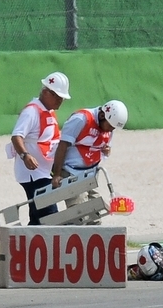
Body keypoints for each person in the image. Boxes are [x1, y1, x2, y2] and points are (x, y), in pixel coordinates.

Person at [51, 100, 128, 224]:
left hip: (89, 175)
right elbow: (62, 145)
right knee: (80, 213)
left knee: (95, 215)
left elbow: (106, 148)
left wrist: (107, 150)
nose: (110, 131)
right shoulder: (81, 119)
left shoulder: (109, 127)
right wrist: (56, 174)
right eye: (110, 127)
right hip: (71, 172)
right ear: (103, 116)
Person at [8, 72, 71, 225]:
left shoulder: (48, 111)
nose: (60, 100)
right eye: (56, 96)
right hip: (33, 174)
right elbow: (16, 136)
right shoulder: (32, 111)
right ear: (45, 92)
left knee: (38, 218)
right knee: (49, 215)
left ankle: (25, 246)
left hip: (43, 172)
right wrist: (25, 155)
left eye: (61, 97)